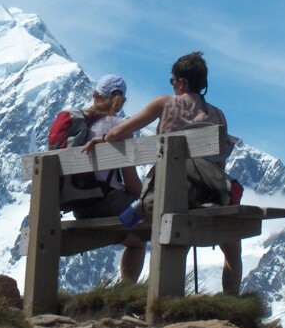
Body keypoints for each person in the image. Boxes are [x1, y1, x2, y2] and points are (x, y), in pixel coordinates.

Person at [81, 52, 242, 295]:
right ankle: (232, 302)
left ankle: (130, 291)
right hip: (208, 198)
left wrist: (103, 138)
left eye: (173, 81)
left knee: (130, 222)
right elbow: (218, 163)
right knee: (232, 247)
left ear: (181, 82)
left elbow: (118, 133)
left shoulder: (164, 104)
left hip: (158, 198)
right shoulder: (218, 115)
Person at [71, 74, 146, 282]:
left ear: (95, 96)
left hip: (80, 208)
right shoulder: (119, 128)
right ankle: (127, 292)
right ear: (122, 101)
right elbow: (132, 184)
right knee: (141, 232)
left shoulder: (80, 126)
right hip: (109, 206)